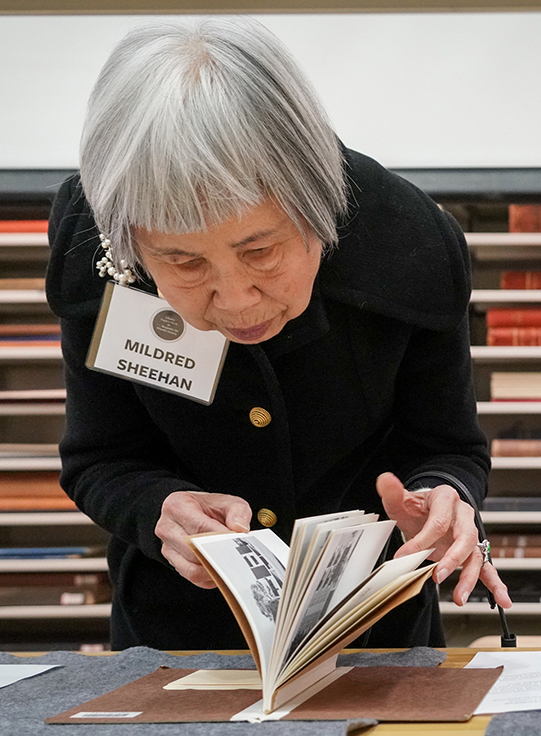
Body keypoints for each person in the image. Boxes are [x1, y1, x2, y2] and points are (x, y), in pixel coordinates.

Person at [46, 17, 511, 651]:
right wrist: (159, 506)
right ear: (132, 249)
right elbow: (101, 458)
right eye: (183, 263)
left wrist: (444, 496)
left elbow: (449, 445)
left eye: (261, 251)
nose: (234, 301)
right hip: (175, 644)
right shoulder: (95, 248)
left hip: (375, 642)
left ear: (318, 208)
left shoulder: (412, 247)